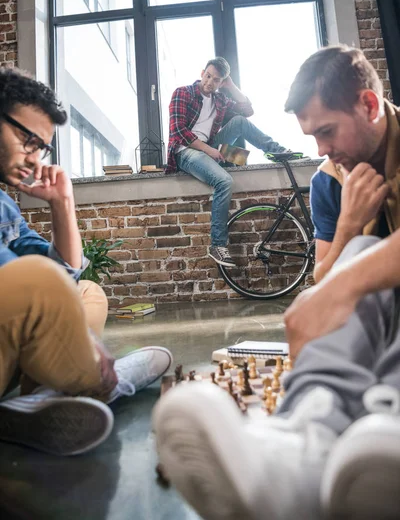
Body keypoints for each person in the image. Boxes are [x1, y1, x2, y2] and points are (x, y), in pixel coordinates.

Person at [153, 46, 400, 520]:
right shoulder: (331, 180)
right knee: (358, 256)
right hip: (191, 152)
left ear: (369, 106)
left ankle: (387, 425)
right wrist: (348, 228)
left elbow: (338, 290)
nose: (322, 151)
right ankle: (305, 442)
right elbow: (321, 286)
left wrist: (346, 284)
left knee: (364, 266)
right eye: (312, 136)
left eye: (326, 132)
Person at [0, 67, 172, 456]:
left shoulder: (4, 206)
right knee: (39, 281)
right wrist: (85, 341)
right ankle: (105, 383)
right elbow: (35, 283)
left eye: (40, 147)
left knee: (88, 291)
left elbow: (65, 273)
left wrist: (63, 203)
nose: (33, 158)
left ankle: (39, 400)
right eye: (27, 140)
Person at [166, 56, 287, 268]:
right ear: (202, 72)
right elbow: (178, 131)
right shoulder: (182, 93)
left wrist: (231, 85)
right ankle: (217, 245)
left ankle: (276, 151)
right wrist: (210, 151)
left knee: (240, 127)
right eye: (208, 76)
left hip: (210, 148)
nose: (210, 82)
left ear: (222, 82)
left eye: (216, 80)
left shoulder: (220, 99)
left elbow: (248, 110)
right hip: (186, 152)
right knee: (225, 181)